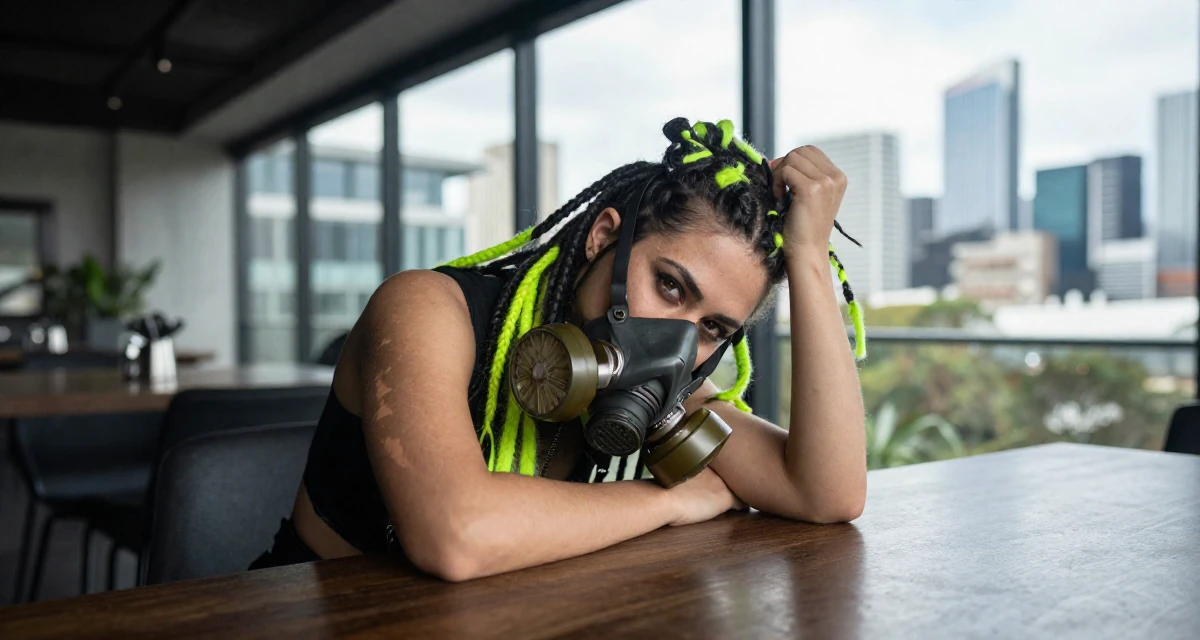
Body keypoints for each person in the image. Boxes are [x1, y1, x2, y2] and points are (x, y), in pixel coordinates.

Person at [251, 117, 868, 581]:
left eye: (712, 327)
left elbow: (827, 494)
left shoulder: (664, 384)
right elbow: (457, 534)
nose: (676, 341)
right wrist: (671, 500)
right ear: (603, 237)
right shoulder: (426, 309)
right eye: (669, 285)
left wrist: (809, 259)